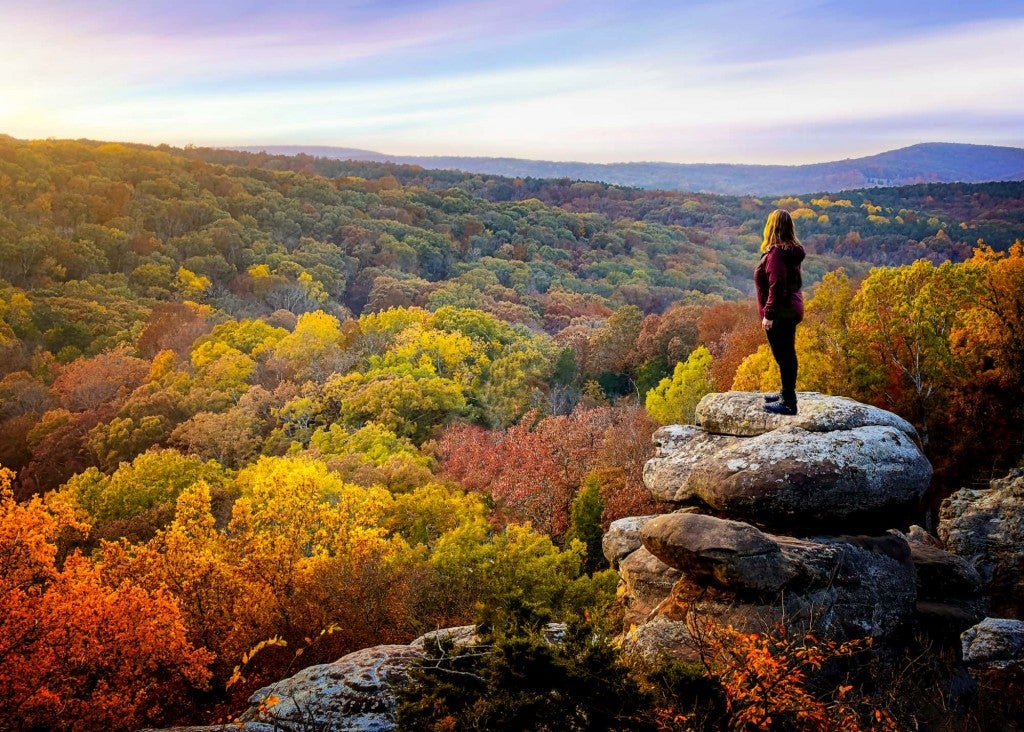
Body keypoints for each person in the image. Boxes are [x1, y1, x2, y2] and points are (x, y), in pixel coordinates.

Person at [754, 208, 805, 415]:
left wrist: (769, 314)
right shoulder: (790, 251)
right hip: (791, 308)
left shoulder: (776, 254)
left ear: (771, 227)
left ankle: (789, 402)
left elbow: (776, 285)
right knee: (787, 353)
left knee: (783, 355)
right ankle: (786, 393)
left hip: (781, 312)